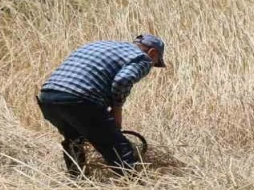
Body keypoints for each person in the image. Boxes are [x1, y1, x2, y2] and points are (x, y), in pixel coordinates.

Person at [37, 34, 166, 177]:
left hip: (48, 96)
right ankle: (133, 184)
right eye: (155, 62)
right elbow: (123, 80)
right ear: (152, 52)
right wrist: (117, 109)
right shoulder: (142, 58)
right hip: (79, 99)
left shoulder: (98, 45)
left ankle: (78, 181)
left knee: (74, 140)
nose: (152, 65)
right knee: (118, 146)